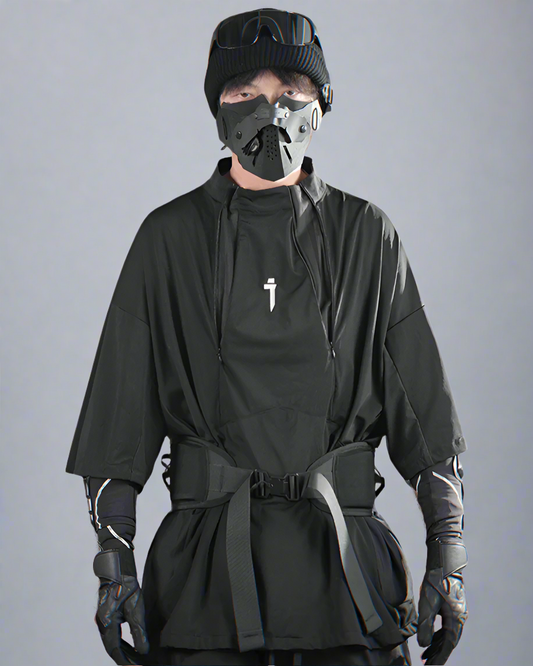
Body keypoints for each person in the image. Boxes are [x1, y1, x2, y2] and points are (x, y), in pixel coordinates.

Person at [65, 8, 468, 666]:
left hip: (346, 585)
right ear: (217, 109)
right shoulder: (168, 239)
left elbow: (426, 421)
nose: (269, 110)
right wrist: (115, 567)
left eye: (290, 90)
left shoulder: (367, 236)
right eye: (244, 91)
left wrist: (447, 557)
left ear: (320, 104)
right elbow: (119, 419)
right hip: (204, 588)